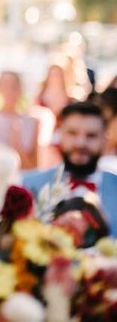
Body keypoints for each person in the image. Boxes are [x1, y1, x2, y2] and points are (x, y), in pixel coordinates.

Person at [22, 101, 117, 236]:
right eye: (72, 133)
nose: (80, 143)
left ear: (104, 140)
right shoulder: (30, 186)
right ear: (60, 135)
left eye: (91, 135)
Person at [0, 70, 39, 169]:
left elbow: (32, 168)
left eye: (14, 86)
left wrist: (16, 143)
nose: (10, 90)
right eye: (5, 85)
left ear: (20, 89)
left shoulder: (32, 122)